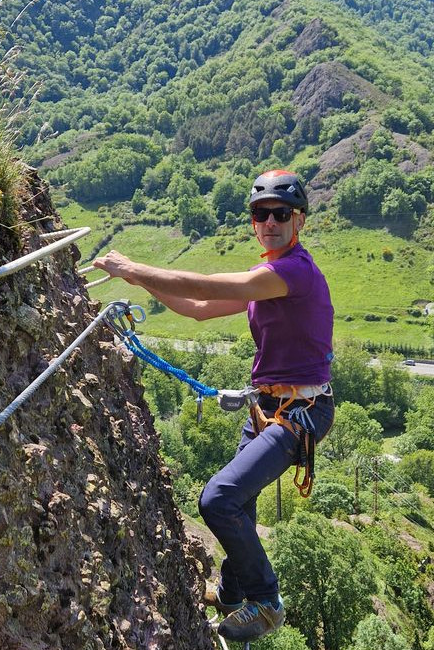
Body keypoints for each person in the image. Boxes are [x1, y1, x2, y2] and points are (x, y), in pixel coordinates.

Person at [93, 169, 334, 642]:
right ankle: (230, 591)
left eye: (280, 214)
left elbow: (204, 287)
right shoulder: (267, 279)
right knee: (240, 499)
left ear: (299, 220)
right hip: (272, 409)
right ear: (253, 221)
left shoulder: (292, 273)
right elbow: (199, 309)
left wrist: (133, 268)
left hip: (300, 413)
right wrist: (144, 286)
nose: (270, 222)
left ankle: (266, 602)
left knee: (218, 498)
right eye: (261, 214)